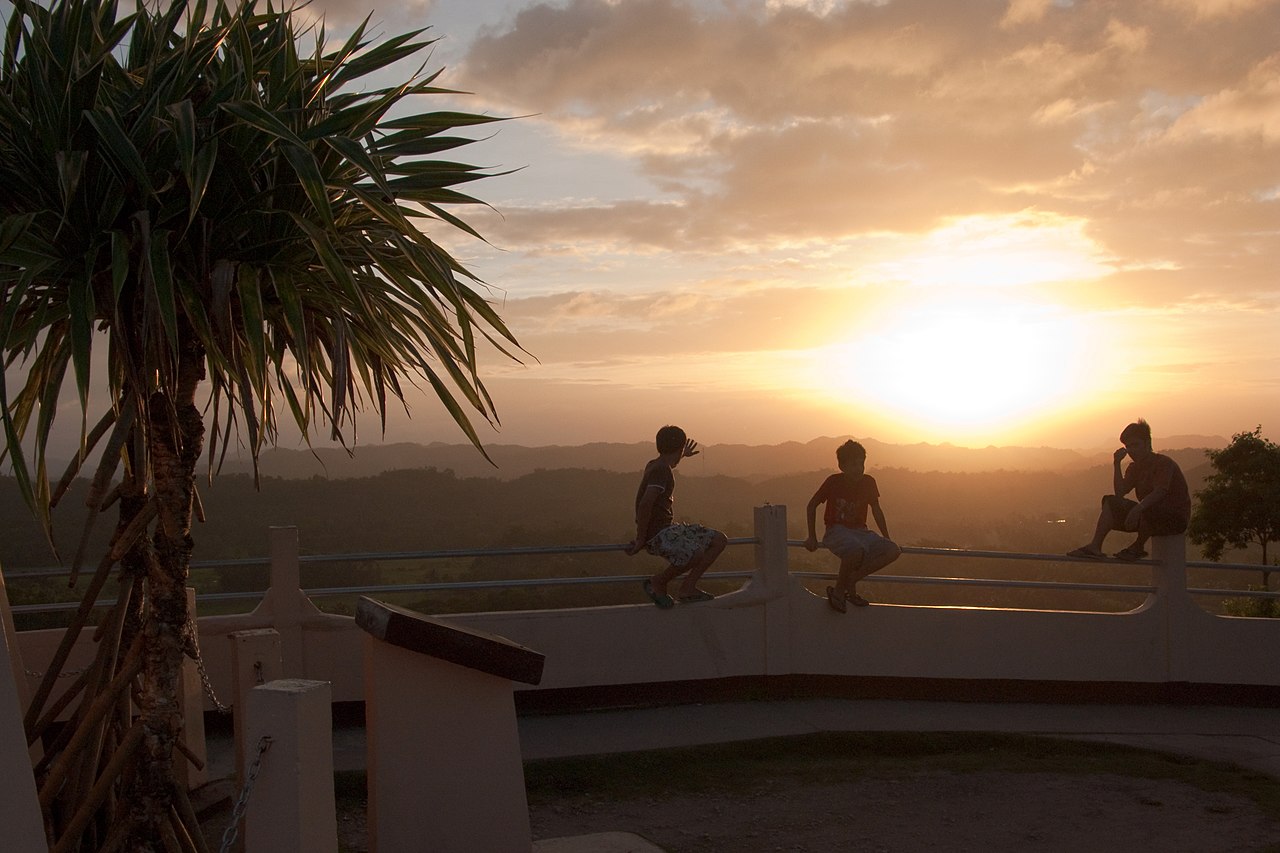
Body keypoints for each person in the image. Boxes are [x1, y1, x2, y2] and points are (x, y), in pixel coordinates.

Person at [625, 425, 729, 608]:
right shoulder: (661, 471)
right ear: (679, 447)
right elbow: (645, 504)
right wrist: (641, 538)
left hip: (668, 528)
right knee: (694, 553)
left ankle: (688, 587)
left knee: (719, 540)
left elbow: (670, 461)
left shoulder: (655, 464)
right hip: (657, 534)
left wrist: (682, 455)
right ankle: (658, 582)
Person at [1067, 419, 1191, 562]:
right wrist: (1116, 464)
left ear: (1147, 443)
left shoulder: (1163, 463)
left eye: (1135, 445)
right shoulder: (1134, 468)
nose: (1132, 450)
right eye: (1128, 446)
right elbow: (1120, 492)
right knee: (1110, 501)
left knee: (1150, 507)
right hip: (1148, 515)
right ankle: (1095, 546)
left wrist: (1138, 509)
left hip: (1174, 519)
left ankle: (1138, 547)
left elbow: (1160, 491)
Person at [804, 439, 901, 612]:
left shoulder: (869, 482)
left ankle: (853, 579)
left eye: (861, 464)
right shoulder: (833, 482)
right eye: (854, 464)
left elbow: (876, 510)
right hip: (836, 531)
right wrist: (812, 536)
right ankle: (839, 592)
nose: (859, 469)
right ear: (842, 466)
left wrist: (886, 536)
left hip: (861, 532)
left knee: (893, 550)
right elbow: (811, 505)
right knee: (856, 550)